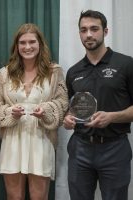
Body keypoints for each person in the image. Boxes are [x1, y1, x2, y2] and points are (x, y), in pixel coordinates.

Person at [0, 23, 68, 200]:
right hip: (12, 139)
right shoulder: (5, 73)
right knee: (13, 196)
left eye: (32, 42)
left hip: (41, 137)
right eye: (22, 42)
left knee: (39, 197)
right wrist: (11, 112)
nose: (27, 47)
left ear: (40, 44)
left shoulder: (54, 72)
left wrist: (46, 110)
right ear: (16, 46)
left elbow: (63, 103)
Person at [63, 10, 133, 200]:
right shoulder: (73, 71)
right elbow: (71, 108)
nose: (89, 34)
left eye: (94, 29)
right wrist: (67, 119)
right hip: (80, 148)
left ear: (106, 31)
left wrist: (113, 117)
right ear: (79, 33)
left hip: (114, 149)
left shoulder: (126, 64)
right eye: (83, 30)